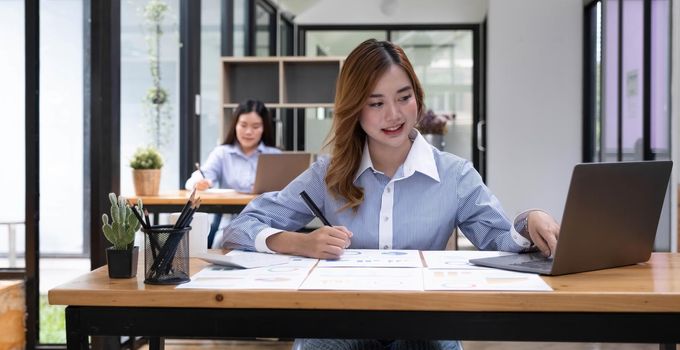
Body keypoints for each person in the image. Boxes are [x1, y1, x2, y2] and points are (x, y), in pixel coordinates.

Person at [223, 39, 560, 350]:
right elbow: (239, 228)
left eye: (403, 97)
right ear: (354, 108)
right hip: (340, 323)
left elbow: (499, 238)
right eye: (376, 103)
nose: (394, 115)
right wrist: (299, 242)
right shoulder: (327, 174)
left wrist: (529, 221)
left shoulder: (455, 175)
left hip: (423, 323)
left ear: (418, 96)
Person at [185, 99, 280, 248]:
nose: (248, 132)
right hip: (230, 222)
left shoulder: (275, 155)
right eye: (243, 125)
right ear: (235, 125)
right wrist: (200, 182)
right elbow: (195, 180)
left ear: (264, 128)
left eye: (256, 126)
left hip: (266, 221)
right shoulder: (222, 153)